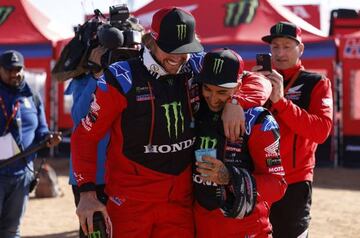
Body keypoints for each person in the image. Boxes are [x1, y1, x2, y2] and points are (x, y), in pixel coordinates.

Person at [71, 7, 270, 237]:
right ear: (152, 40)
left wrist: (236, 101)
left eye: (184, 50)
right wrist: (86, 193)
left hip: (179, 204)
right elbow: (85, 136)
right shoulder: (120, 76)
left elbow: (259, 81)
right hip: (129, 203)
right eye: (170, 49)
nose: (177, 57)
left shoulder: (196, 65)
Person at [193, 48, 287, 238]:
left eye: (222, 92)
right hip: (201, 226)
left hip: (247, 229)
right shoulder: (194, 108)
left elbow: (278, 185)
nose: (213, 98)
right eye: (207, 89)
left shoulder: (258, 121)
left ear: (238, 86)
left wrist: (231, 177)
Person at [257, 22, 333, 238]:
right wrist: (249, 91)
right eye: (275, 47)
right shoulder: (259, 82)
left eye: (287, 46)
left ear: (300, 48)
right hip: (260, 179)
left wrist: (281, 102)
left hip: (295, 183)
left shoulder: (317, 82)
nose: (280, 53)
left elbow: (321, 131)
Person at [0, 50, 62, 238]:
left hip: (22, 175)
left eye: (18, 69)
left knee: (12, 230)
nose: (14, 74)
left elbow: (41, 130)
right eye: (9, 69)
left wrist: (49, 138)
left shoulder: (32, 96)